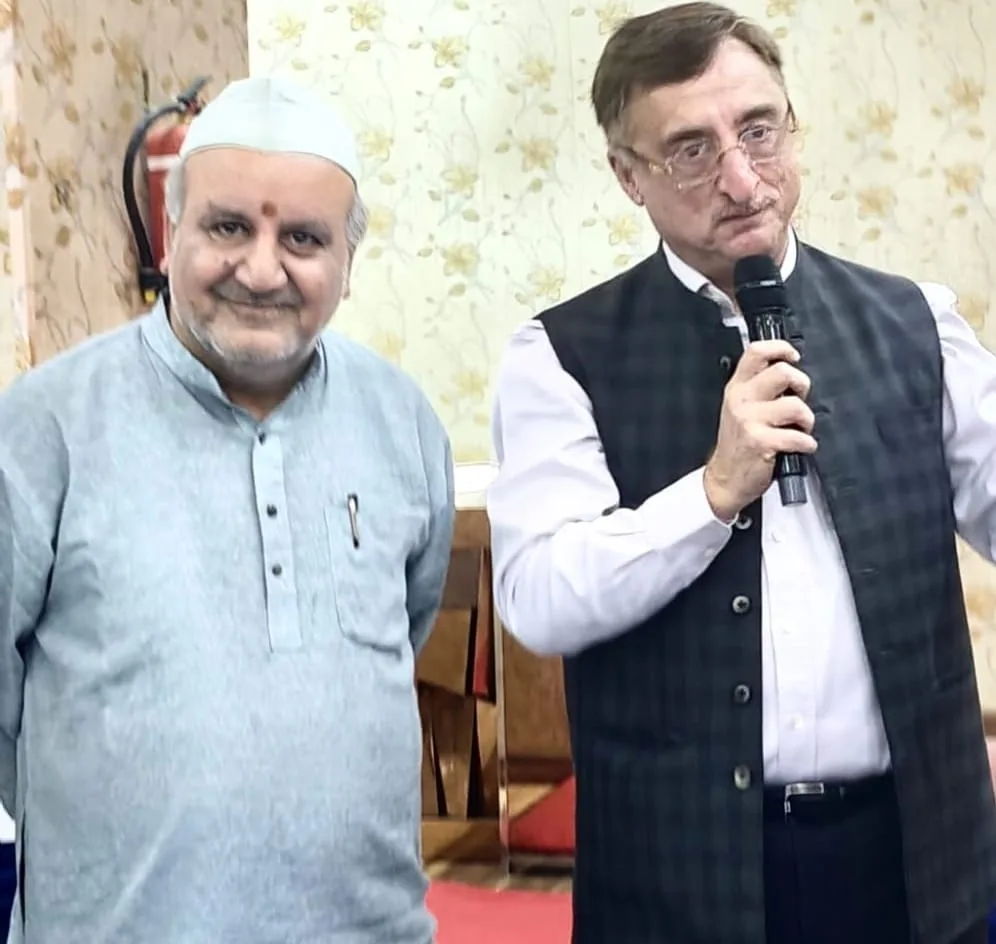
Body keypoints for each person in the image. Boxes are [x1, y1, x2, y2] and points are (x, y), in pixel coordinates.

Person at [487, 4, 996, 944]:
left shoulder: (916, 322)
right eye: (690, 150)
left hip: (913, 859)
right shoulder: (559, 356)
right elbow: (539, 601)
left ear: (791, 126)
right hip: (679, 873)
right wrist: (712, 492)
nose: (739, 177)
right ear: (628, 176)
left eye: (758, 130)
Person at [0, 75, 454, 944]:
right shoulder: (46, 426)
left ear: (348, 264)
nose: (262, 268)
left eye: (304, 238)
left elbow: (409, 625)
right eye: (228, 227)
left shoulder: (401, 421)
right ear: (171, 235)